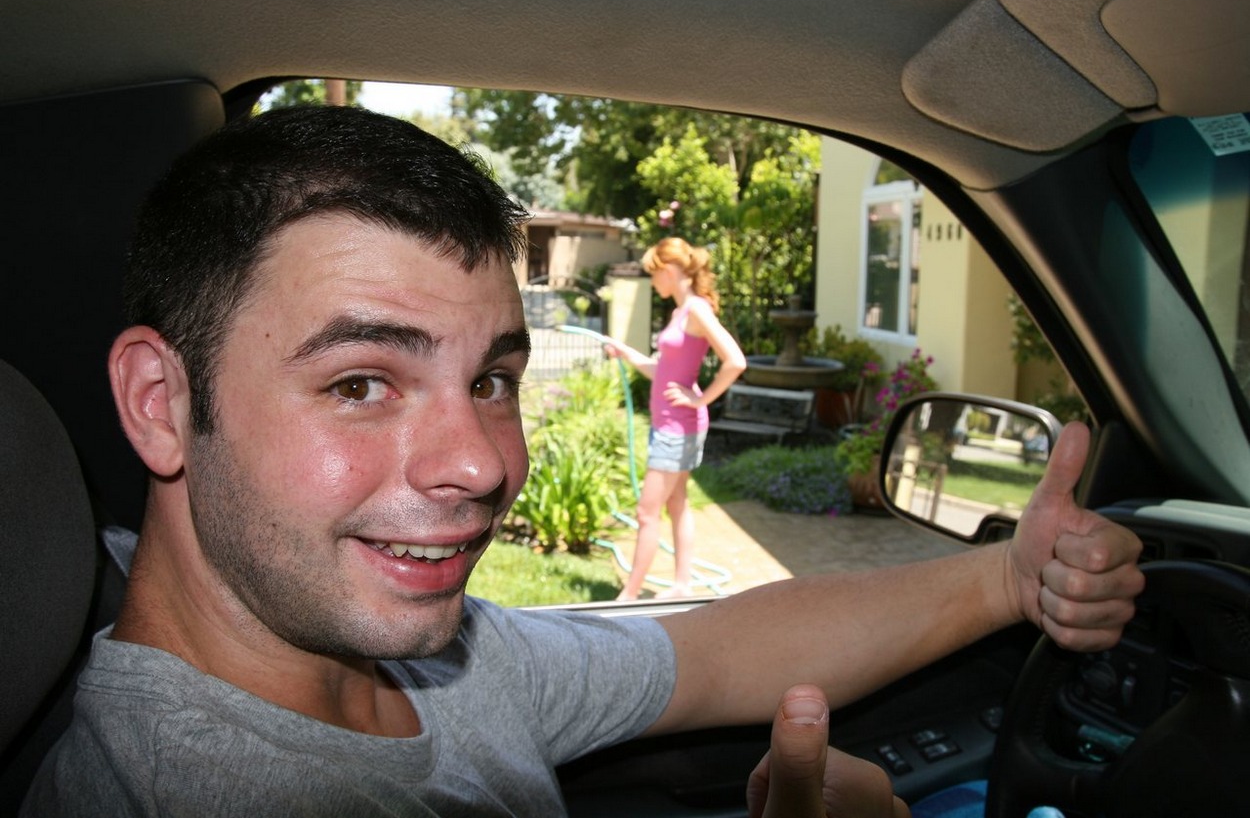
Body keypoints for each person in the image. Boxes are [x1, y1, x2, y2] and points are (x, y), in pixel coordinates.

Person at [22, 105, 1144, 817]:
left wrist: (1008, 576)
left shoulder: (426, 662)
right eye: (360, 383)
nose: (478, 463)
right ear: (162, 403)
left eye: (490, 380)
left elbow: (713, 652)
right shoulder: (174, 789)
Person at [601, 237, 747, 599]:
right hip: (670, 425)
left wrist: (701, 400)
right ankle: (682, 585)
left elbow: (735, 361)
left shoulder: (696, 310)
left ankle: (629, 597)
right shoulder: (681, 312)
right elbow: (664, 372)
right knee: (677, 504)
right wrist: (626, 353)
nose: (653, 283)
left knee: (647, 512)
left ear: (668, 271)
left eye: (654, 275)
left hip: (677, 428)